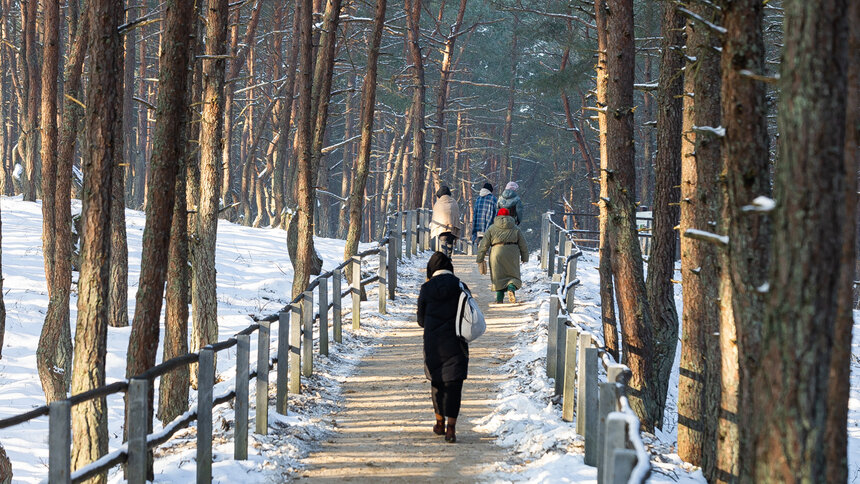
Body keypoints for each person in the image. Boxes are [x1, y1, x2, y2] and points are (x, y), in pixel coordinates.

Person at [417, 252, 469, 443]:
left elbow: (421, 320)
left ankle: (439, 423)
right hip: (457, 342)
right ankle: (451, 429)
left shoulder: (426, 288)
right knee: (455, 385)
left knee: (437, 382)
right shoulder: (460, 286)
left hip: (434, 343)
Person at [476, 208, 528, 303]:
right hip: (512, 253)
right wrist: (525, 257)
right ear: (509, 216)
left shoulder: (492, 228)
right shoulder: (515, 228)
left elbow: (484, 245)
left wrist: (480, 258)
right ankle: (511, 288)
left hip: (497, 252)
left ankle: (499, 299)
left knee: (498, 276)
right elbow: (523, 244)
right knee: (513, 275)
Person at [430, 186, 461, 257]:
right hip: (452, 226)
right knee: (450, 241)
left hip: (441, 227)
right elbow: (456, 214)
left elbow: (435, 215)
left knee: (443, 241)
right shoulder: (454, 202)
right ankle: (449, 256)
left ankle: (444, 256)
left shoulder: (438, 203)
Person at [470, 182, 498, 251]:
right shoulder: (493, 199)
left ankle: (481, 252)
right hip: (489, 226)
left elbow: (475, 213)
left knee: (481, 241)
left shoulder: (478, 199)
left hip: (478, 226)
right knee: (488, 241)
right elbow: (496, 213)